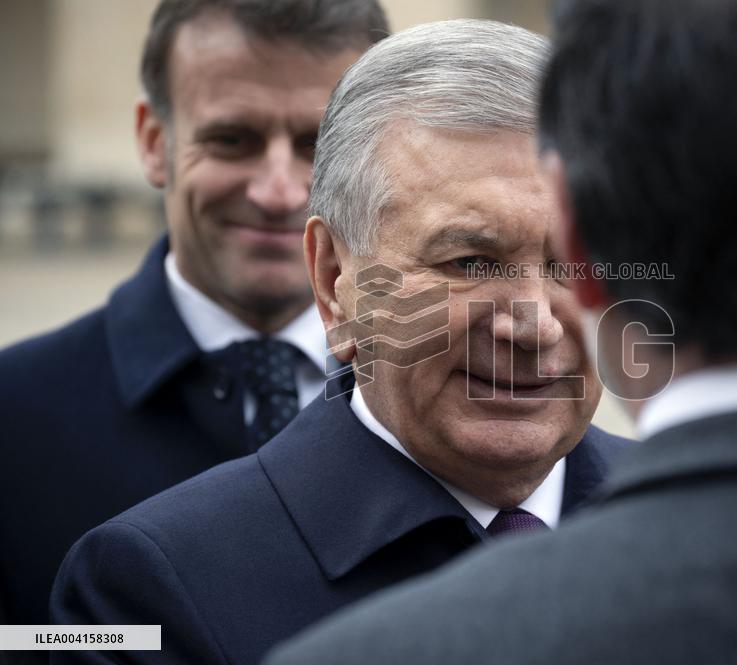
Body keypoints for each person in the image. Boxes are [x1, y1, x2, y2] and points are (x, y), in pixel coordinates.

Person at [263, 1, 737, 664]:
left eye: (550, 260)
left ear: (583, 253)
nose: (529, 321)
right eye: (472, 259)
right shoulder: (170, 581)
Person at [49, 19, 628, 665]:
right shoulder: (155, 584)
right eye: (469, 261)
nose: (536, 324)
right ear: (334, 280)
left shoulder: (726, 519)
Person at [0, 0, 387, 641]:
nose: (281, 191)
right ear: (155, 142)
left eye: (318, 148)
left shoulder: (450, 400)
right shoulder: (14, 418)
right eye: (232, 139)